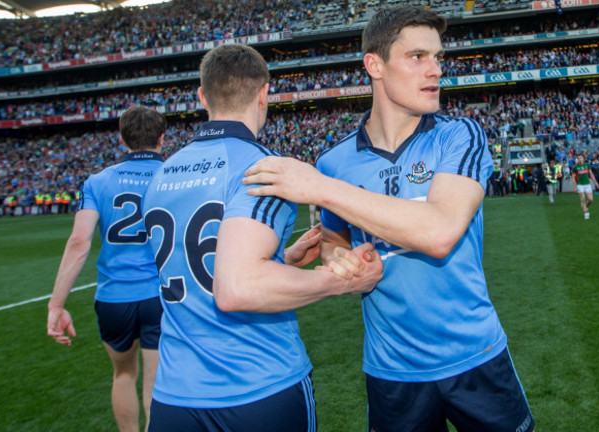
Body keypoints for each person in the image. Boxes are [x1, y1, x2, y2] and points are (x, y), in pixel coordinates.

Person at [243, 6, 534, 432]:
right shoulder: (334, 161)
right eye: (418, 57)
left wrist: (321, 188)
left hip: (475, 356)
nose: (435, 70)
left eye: (438, 58)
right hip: (392, 371)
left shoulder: (460, 135)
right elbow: (335, 245)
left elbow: (439, 233)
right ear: (374, 65)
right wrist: (343, 260)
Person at [141, 43, 383, 432]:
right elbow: (237, 288)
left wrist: (279, 259)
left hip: (174, 395)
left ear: (203, 96)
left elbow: (201, 263)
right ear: (264, 93)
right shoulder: (265, 169)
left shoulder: (162, 174)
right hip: (256, 384)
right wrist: (342, 279)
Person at [47, 106, 168, 432]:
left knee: (123, 374)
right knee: (156, 382)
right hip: (160, 295)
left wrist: (56, 304)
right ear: (161, 137)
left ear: (121, 139)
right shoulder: (172, 175)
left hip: (114, 297)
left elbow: (78, 242)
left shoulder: (98, 181)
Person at [572, 153, 598, 219]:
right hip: (580, 185)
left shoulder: (587, 165)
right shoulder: (575, 167)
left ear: (583, 158)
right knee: (583, 199)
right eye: (578, 158)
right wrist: (574, 187)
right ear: (577, 159)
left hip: (587, 184)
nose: (580, 159)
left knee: (590, 199)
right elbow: (573, 178)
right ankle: (585, 212)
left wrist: (595, 182)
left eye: (580, 158)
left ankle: (586, 207)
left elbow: (591, 174)